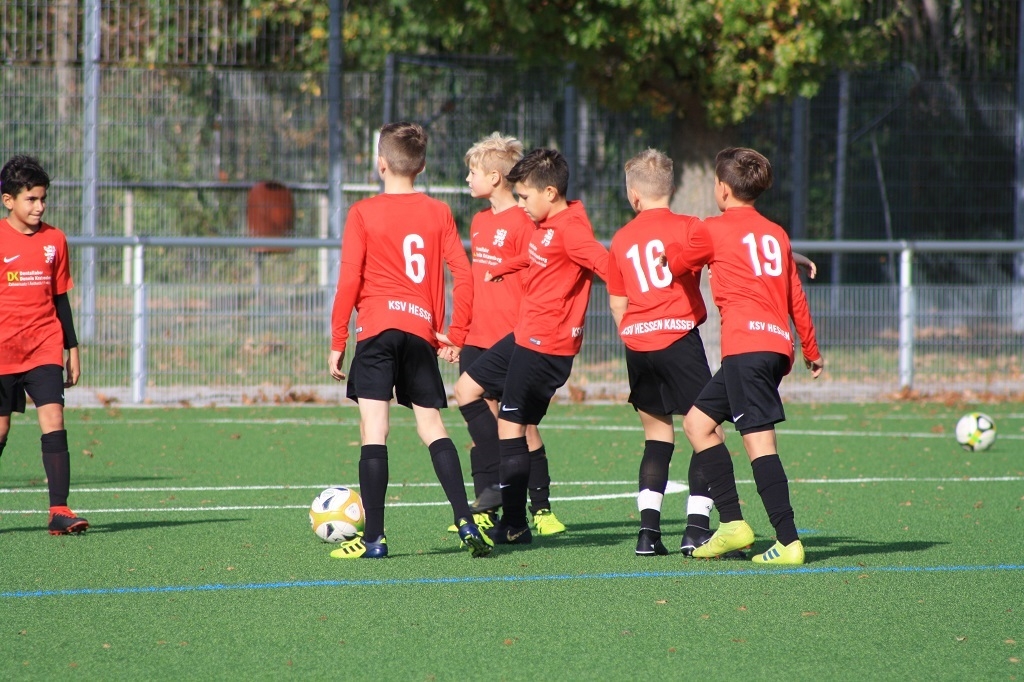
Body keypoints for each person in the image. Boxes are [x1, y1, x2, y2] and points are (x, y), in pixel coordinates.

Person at [327, 122, 491, 559]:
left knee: (374, 430)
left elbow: (349, 280)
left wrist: (338, 338)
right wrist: (456, 334)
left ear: (380, 163)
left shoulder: (363, 212)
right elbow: (464, 274)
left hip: (378, 330)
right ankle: (465, 520)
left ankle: (375, 539)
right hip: (419, 331)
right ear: (421, 166)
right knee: (431, 426)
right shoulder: (438, 212)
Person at [664, 146, 824, 565]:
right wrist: (811, 349)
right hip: (769, 348)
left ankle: (788, 540)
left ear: (722, 188)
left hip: (746, 349)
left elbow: (679, 264)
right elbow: (795, 297)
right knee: (698, 424)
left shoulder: (712, 229)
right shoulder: (776, 233)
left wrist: (668, 254)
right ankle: (733, 524)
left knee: (760, 444)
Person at [447, 148, 608, 545]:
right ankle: (510, 508)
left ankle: (516, 520)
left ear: (550, 192)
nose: (521, 204)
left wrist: (640, 296)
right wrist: (504, 267)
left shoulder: (571, 229)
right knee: (466, 390)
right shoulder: (547, 223)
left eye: (524, 197)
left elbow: (607, 265)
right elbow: (536, 256)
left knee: (513, 426)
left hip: (545, 344)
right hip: (524, 334)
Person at [606, 149, 741, 558]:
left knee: (657, 436)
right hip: (678, 340)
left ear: (634, 195)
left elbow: (617, 302)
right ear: (673, 187)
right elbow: (730, 248)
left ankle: (648, 534)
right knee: (708, 433)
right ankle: (696, 529)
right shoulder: (689, 227)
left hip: (637, 345)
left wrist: (635, 333)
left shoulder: (621, 238)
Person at [443, 132, 566, 536]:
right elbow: (472, 284)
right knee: (482, 425)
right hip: (477, 338)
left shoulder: (525, 220)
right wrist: (458, 334)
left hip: (513, 337)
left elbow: (537, 276)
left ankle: (541, 509)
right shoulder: (479, 222)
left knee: (521, 425)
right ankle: (488, 508)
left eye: (473, 172)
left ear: (495, 177)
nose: (468, 179)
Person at [0, 155, 88, 535]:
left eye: (43, 199)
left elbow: (60, 297)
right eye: (31, 199)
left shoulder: (55, 240)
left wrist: (72, 348)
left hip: (44, 345)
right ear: (8, 201)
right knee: (0, 431)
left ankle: (59, 510)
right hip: (3, 351)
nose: (40, 206)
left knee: (54, 420)